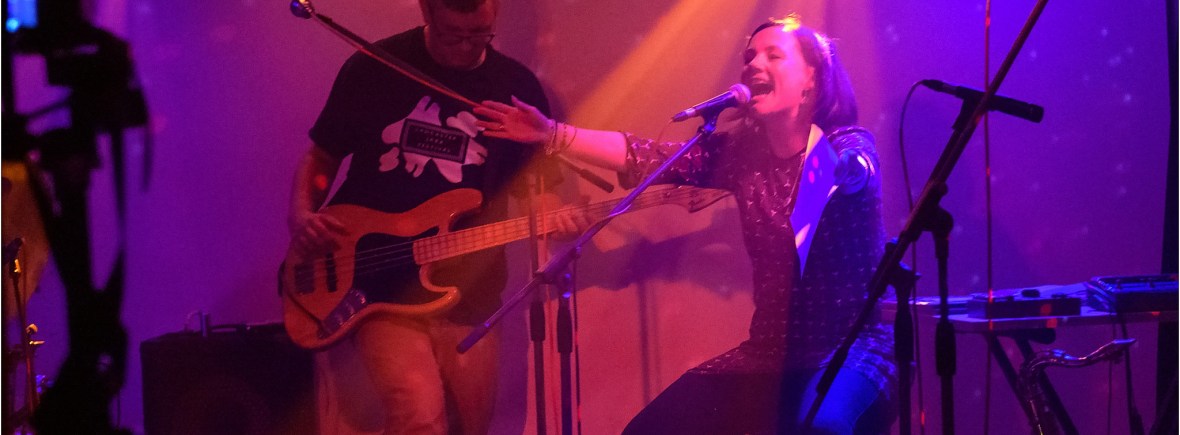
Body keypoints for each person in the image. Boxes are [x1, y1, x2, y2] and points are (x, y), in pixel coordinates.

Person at [476, 16, 898, 434]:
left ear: (812, 78)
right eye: (749, 55)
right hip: (770, 354)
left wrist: (846, 173)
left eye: (773, 54)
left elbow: (858, 166)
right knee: (647, 430)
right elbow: (648, 156)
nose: (753, 63)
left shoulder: (847, 141)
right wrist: (552, 133)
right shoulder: (742, 153)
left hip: (853, 347)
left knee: (825, 427)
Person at [286, 0, 559, 432]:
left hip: (472, 289)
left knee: (473, 425)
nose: (467, 47)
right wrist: (303, 214)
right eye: (454, 35)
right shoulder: (374, 69)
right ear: (426, 13)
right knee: (420, 417)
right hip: (379, 287)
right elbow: (322, 155)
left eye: (480, 34)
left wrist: (557, 219)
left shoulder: (515, 86)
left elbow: (537, 188)